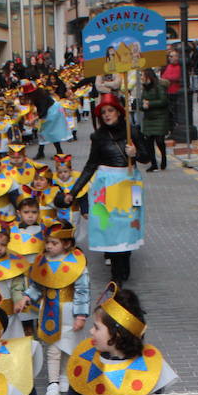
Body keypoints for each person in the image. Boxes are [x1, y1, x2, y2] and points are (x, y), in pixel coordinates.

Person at [58, 93, 150, 286]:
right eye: (104, 112)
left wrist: (136, 153)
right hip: (107, 187)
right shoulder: (98, 137)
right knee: (112, 228)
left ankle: (124, 264)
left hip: (129, 184)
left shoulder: (131, 131)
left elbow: (147, 158)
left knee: (128, 226)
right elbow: (90, 166)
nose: (107, 115)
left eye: (111, 110)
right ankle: (117, 275)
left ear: (119, 112)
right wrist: (72, 193)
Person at [61, 285, 176, 395]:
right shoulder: (84, 361)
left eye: (97, 327)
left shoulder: (152, 367)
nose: (91, 331)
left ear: (117, 334)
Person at [26, 222, 89, 395]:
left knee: (69, 347)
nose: (49, 247)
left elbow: (82, 290)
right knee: (53, 348)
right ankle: (52, 382)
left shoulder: (77, 263)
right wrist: (27, 297)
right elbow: (37, 285)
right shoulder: (42, 262)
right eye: (48, 243)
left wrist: (81, 315)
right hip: (50, 312)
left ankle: (65, 376)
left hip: (70, 310)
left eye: (54, 243)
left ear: (66, 243)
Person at [139, 68, 171, 172]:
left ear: (148, 76)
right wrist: (143, 106)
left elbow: (163, 101)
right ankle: (153, 163)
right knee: (149, 142)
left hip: (160, 117)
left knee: (159, 140)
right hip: (148, 118)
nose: (141, 78)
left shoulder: (159, 86)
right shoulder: (144, 88)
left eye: (143, 75)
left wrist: (150, 104)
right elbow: (141, 103)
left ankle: (163, 157)